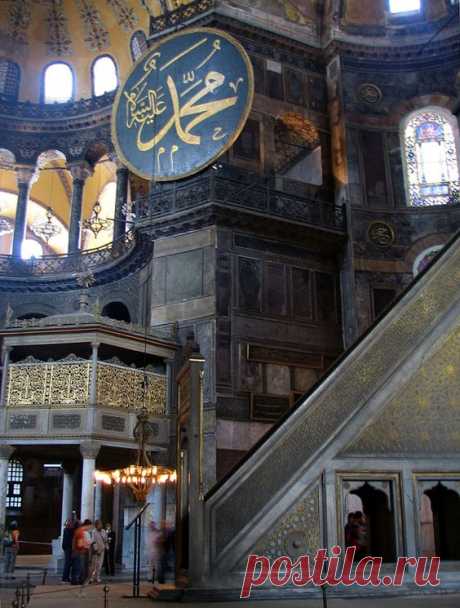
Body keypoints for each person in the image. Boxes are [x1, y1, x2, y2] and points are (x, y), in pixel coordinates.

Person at [72, 519, 93, 585]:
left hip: (80, 551)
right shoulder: (81, 532)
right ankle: (77, 580)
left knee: (81, 567)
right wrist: (87, 543)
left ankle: (79, 580)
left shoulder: (80, 531)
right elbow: (80, 544)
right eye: (90, 526)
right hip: (80, 551)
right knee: (80, 567)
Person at [61, 519, 75, 583]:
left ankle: (66, 577)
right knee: (67, 564)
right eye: (70, 523)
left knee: (68, 564)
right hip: (68, 548)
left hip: (67, 548)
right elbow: (69, 540)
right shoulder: (68, 530)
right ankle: (65, 578)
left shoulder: (66, 530)